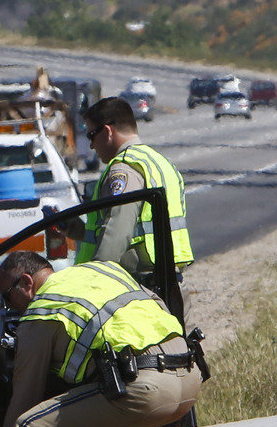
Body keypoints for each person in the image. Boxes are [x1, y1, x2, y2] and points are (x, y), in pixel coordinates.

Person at [0, 251, 204, 427]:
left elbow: (25, 397)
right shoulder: (103, 269)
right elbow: (159, 305)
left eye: (6, 297)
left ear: (27, 282)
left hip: (148, 391)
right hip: (191, 378)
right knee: (102, 396)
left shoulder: (41, 311)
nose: (8, 306)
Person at [76, 96, 193, 286]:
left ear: (107, 131)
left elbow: (117, 232)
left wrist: (94, 284)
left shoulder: (123, 169)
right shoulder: (159, 162)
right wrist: (75, 229)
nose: (91, 145)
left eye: (91, 136)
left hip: (138, 288)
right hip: (170, 283)